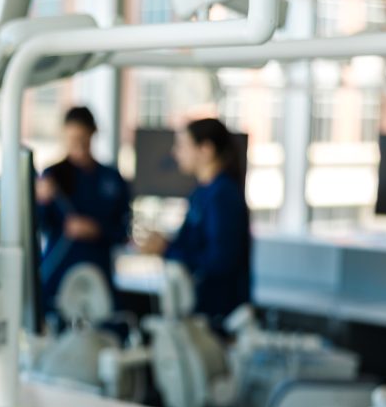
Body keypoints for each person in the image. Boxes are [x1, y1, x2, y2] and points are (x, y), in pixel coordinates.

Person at [138, 117, 252, 329]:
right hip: (199, 310)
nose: (175, 153)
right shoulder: (200, 194)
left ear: (205, 150)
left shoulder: (222, 195)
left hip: (219, 315)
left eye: (182, 146)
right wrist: (164, 245)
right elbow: (190, 243)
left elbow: (219, 260)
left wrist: (166, 249)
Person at [35, 106, 132, 321]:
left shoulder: (112, 178)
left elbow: (124, 230)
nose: (77, 146)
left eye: (82, 138)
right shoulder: (52, 176)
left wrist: (96, 230)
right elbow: (39, 224)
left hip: (98, 273)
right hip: (58, 272)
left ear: (93, 134)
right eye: (71, 139)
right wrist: (41, 200)